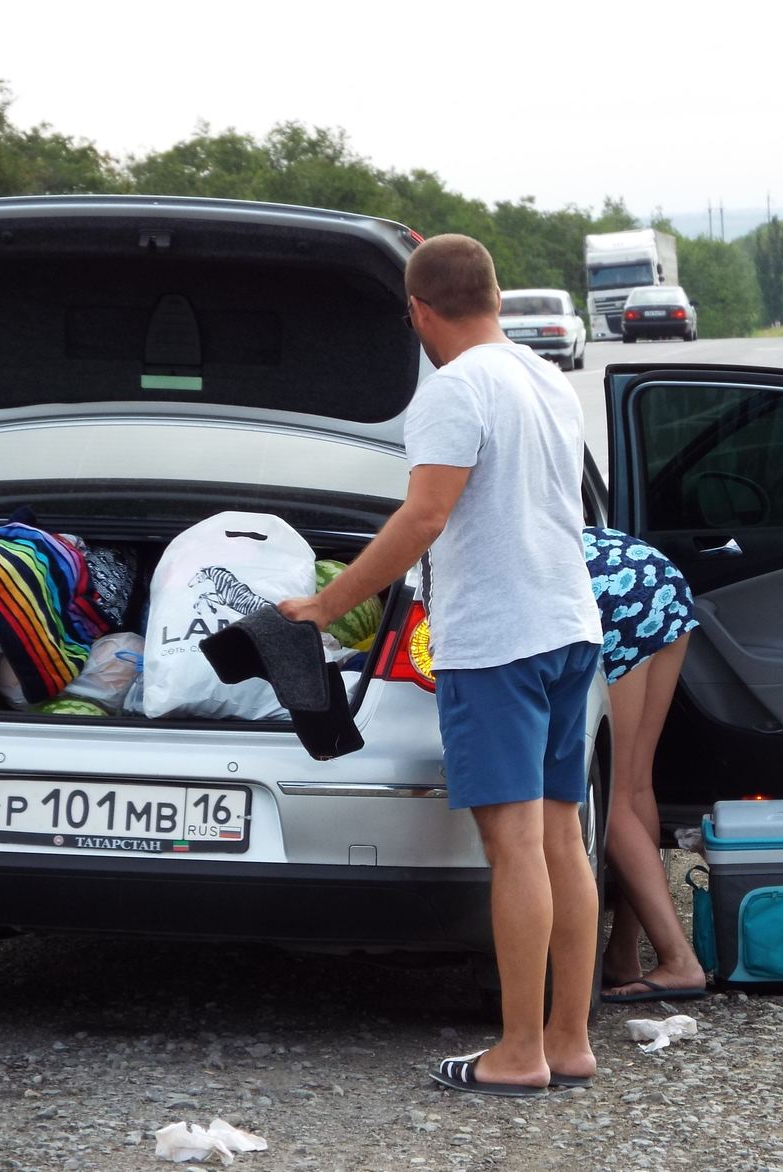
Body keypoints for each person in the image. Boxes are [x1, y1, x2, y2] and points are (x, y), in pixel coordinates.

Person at [279, 234, 604, 1096]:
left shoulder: (454, 390)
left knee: (516, 846)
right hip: (569, 625)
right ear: (493, 296)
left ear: (420, 312)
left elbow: (423, 518)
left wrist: (324, 603)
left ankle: (519, 1053)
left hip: (497, 641)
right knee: (563, 838)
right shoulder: (543, 376)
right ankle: (569, 1042)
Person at [581, 526, 709, 1003]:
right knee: (634, 786)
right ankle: (625, 953)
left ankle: (678, 960)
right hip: (648, 570)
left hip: (601, 588)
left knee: (608, 796)